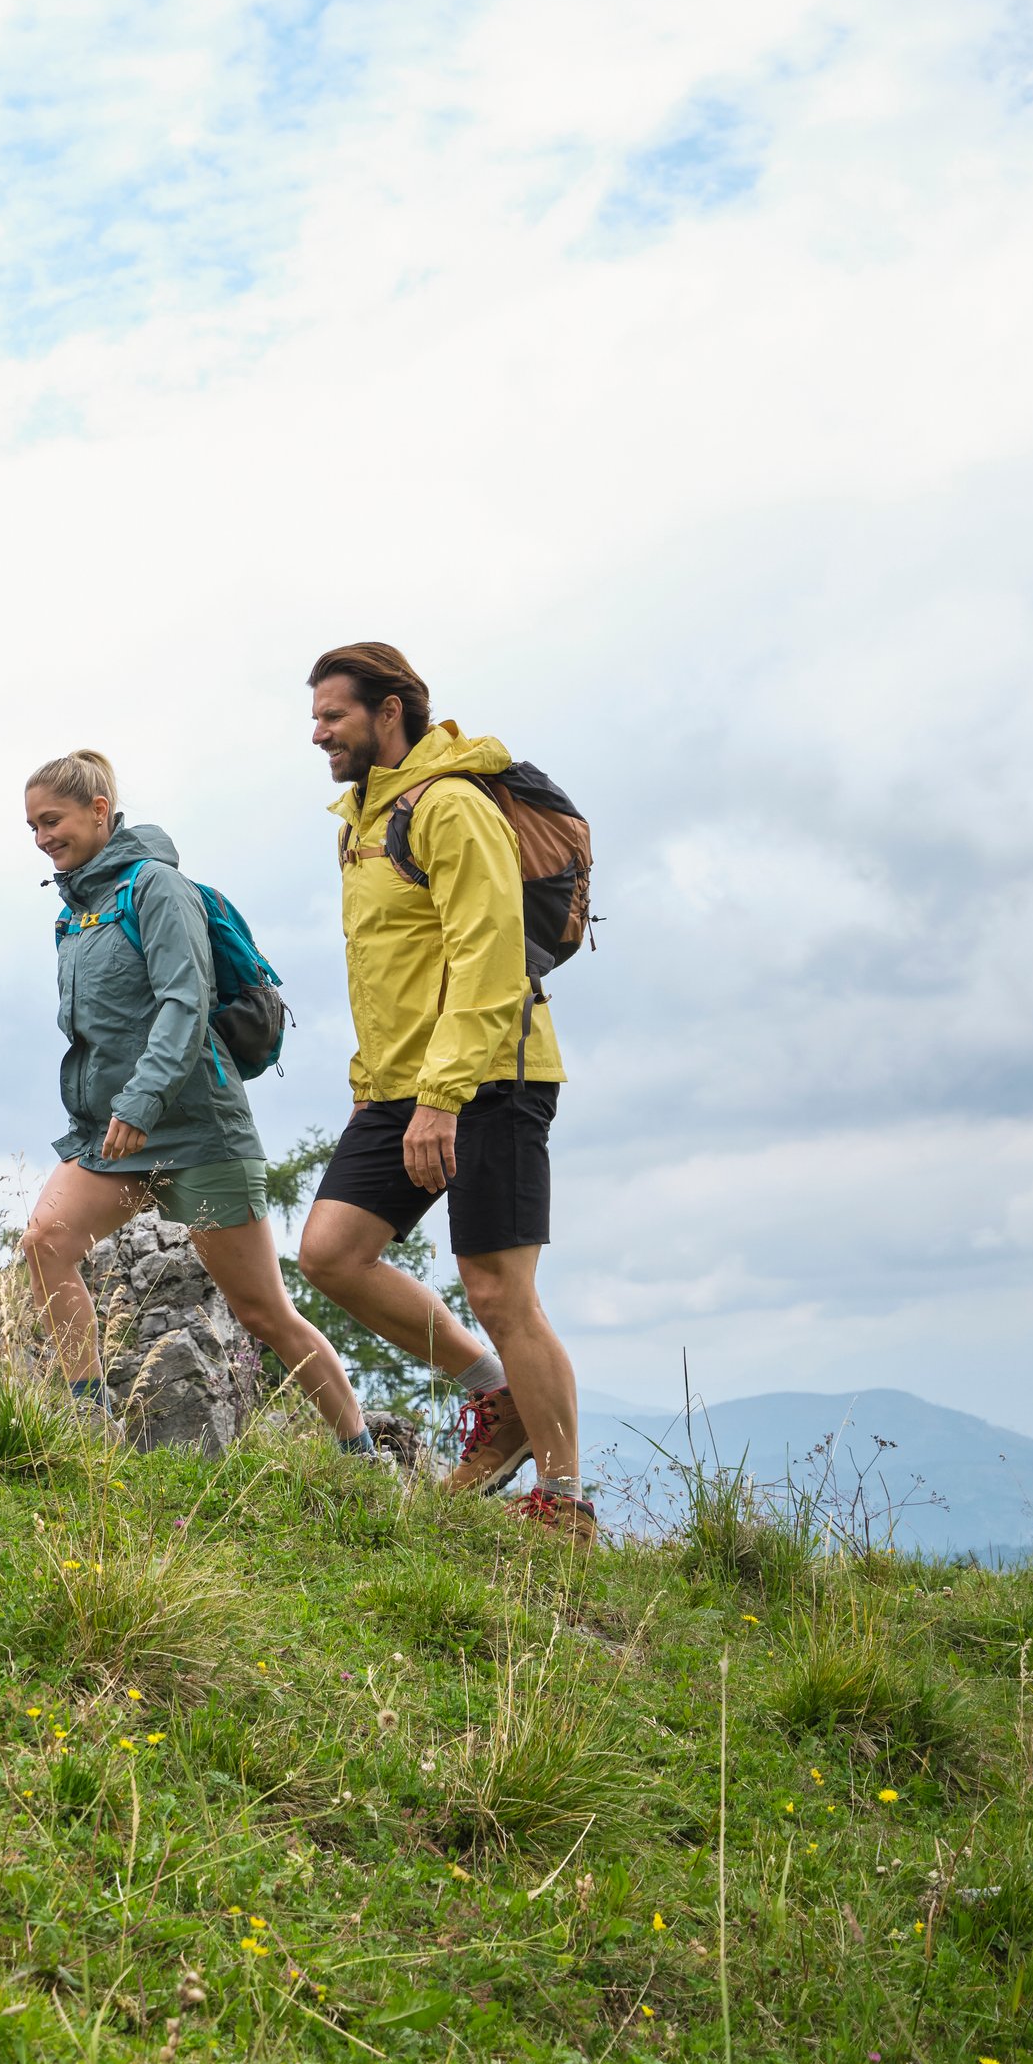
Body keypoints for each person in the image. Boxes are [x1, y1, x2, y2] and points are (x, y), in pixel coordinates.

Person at [294, 641, 589, 1537]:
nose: (317, 734)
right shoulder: (360, 822)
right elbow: (389, 969)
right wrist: (373, 1085)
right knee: (331, 1253)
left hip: (491, 1072)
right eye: (314, 718)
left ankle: (565, 1503)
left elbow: (489, 961)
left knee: (500, 1292)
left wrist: (441, 1098)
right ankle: (495, 1399)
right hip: (402, 1083)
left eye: (332, 715)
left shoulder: (449, 806)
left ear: (390, 712)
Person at [13, 752, 374, 1447]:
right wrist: (114, 1112)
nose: (41, 839)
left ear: (98, 810)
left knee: (264, 1311)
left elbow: (185, 1003)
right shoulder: (75, 913)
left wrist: (142, 1102)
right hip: (113, 1138)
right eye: (30, 827)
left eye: (51, 821)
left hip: (195, 1132)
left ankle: (360, 1452)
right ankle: (91, 1421)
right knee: (45, 1244)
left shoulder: (156, 888)